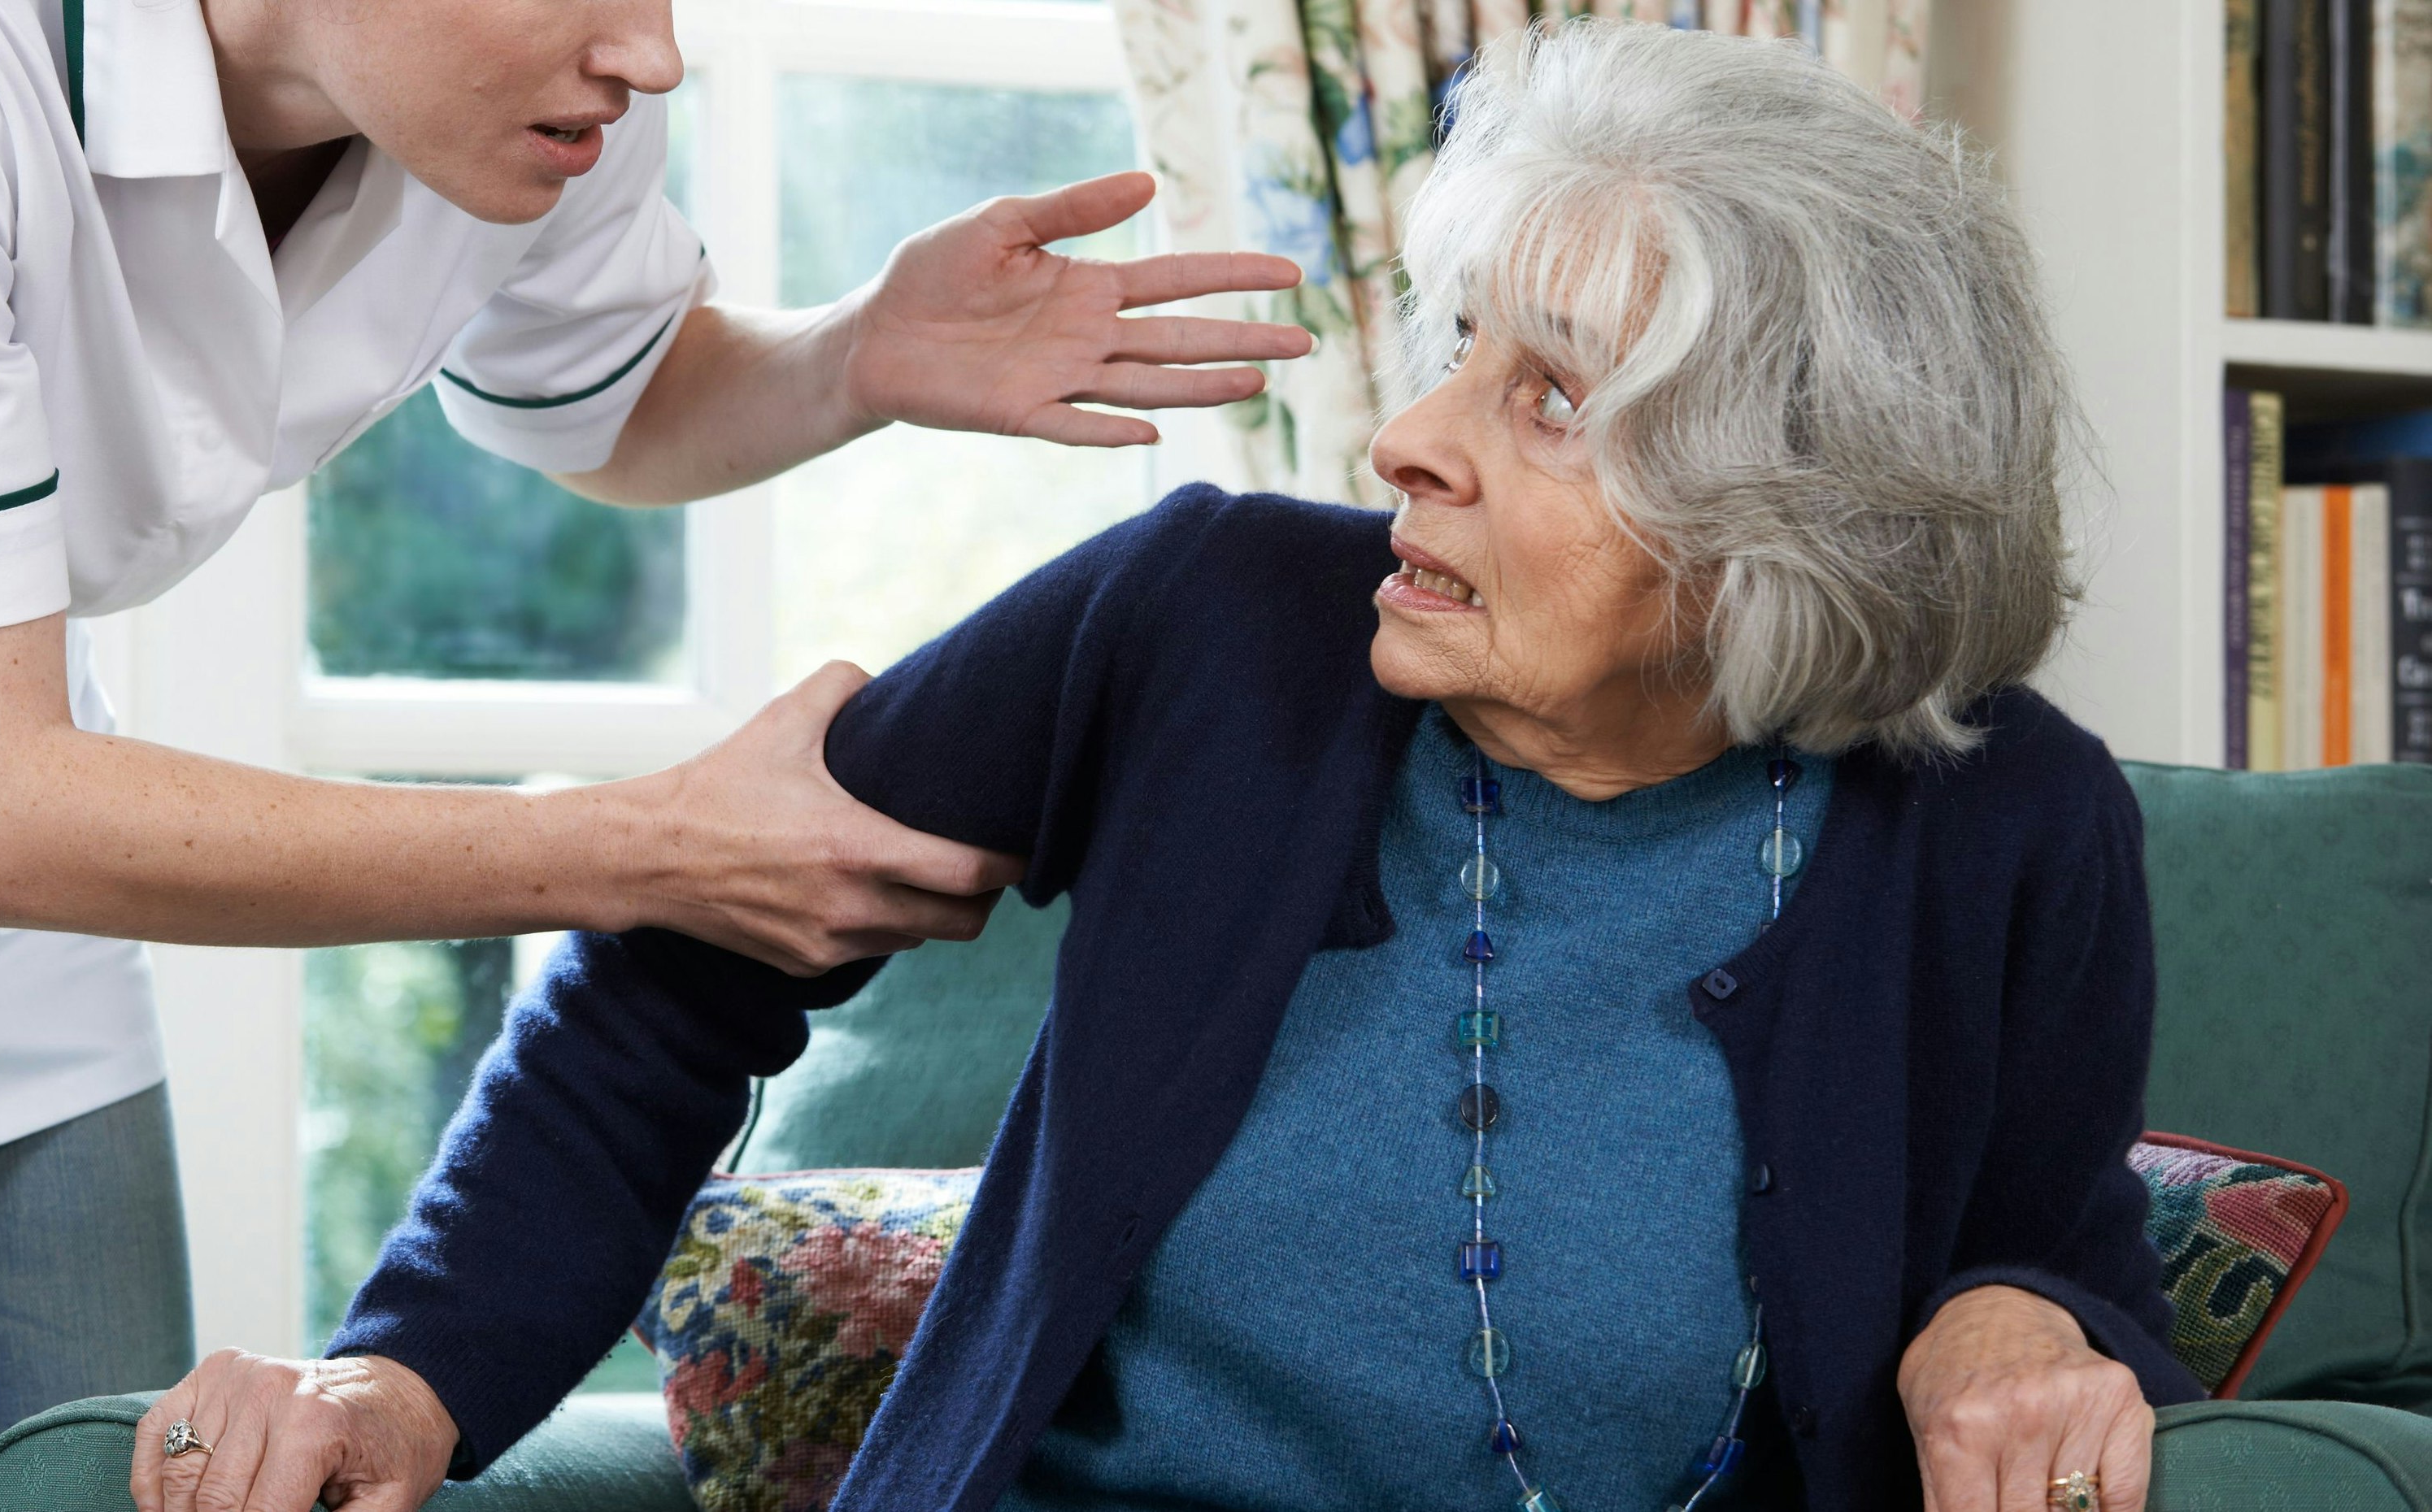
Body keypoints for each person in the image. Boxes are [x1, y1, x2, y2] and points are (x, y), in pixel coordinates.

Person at [130, 21, 2198, 1512]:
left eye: (1548, 398)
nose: (1411, 432)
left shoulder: (2011, 825)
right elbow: (669, 978)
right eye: (1457, 337)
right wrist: (402, 1375)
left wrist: (2018, 1314)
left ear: (1792, 515)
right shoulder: (1209, 624)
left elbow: (2053, 1247)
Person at [0, 0, 1312, 1494]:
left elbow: (610, 406)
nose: (658, 53)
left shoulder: (525, 98)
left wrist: (852, 356)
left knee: (96, 1484)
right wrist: (654, 850)